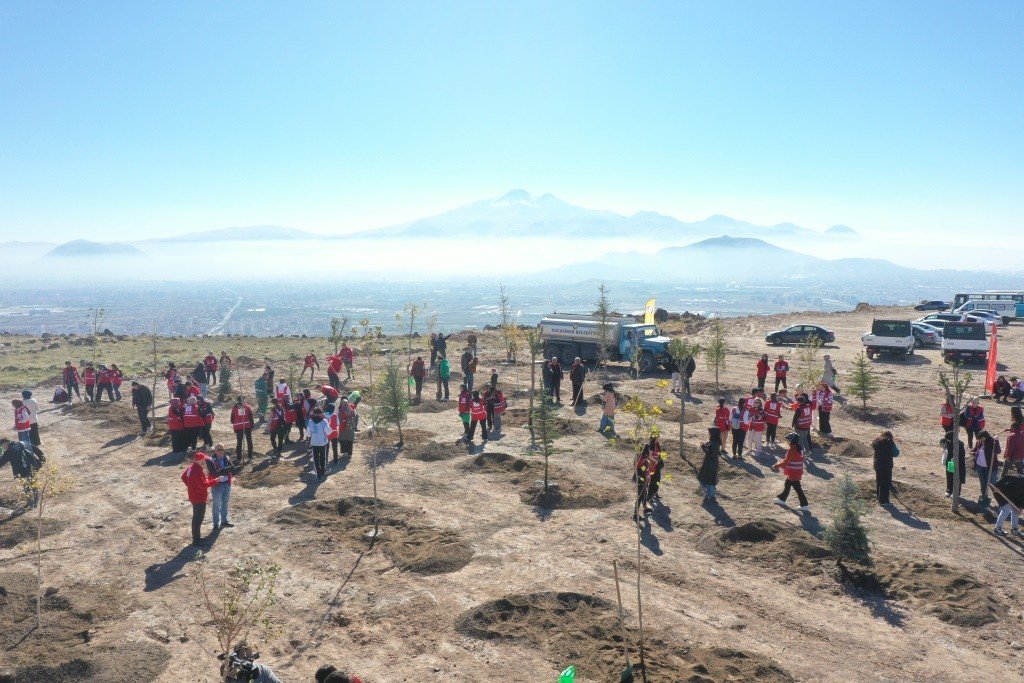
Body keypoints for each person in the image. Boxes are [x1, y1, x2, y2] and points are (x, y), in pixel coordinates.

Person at [181, 450, 223, 547]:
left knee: (196, 518)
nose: (205, 460)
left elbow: (183, 477)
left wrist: (191, 486)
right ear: (199, 460)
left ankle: (197, 539)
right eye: (203, 459)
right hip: (198, 498)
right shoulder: (196, 471)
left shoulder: (191, 468)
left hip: (194, 496)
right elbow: (203, 485)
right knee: (198, 519)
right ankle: (196, 541)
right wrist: (216, 480)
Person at [0, 438, 43, 508]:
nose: (3, 448)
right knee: (34, 485)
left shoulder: (9, 452)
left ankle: (30, 504)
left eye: (2, 446)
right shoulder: (24, 442)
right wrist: (42, 461)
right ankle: (35, 502)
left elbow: (1, 462)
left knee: (27, 488)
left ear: (6, 444)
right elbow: (37, 450)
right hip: (33, 468)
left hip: (24, 472)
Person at [772, 432, 810, 511]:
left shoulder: (792, 450)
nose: (787, 441)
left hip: (793, 473)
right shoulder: (799, 448)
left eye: (788, 440)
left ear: (792, 441)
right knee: (787, 484)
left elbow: (786, 462)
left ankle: (805, 505)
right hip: (797, 472)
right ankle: (782, 499)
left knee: (797, 488)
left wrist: (776, 466)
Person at [633, 435, 660, 518]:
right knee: (640, 496)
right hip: (641, 478)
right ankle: (635, 514)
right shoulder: (644, 460)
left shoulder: (640, 457)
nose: (651, 453)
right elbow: (644, 470)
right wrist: (647, 477)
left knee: (644, 493)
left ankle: (644, 507)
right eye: (649, 451)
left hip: (642, 478)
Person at [209, 444, 235, 530]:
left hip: (226, 483)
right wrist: (226, 471)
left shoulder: (226, 457)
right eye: (218, 449)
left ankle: (224, 521)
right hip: (217, 485)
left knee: (225, 502)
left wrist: (222, 470)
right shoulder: (210, 460)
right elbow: (214, 473)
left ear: (224, 450)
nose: (220, 451)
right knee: (216, 504)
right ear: (215, 450)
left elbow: (233, 467)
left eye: (221, 449)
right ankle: (215, 524)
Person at [972, 430, 1000, 505]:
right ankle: (984, 497)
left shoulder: (993, 442)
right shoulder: (980, 441)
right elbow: (975, 449)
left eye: (981, 439)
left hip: (990, 467)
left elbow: (998, 451)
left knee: (992, 484)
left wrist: (996, 441)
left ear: (984, 437)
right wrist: (972, 452)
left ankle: (1001, 501)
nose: (979, 440)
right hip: (980, 466)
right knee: (983, 483)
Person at [872, 431, 898, 505]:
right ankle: (884, 501)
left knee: (879, 481)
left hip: (877, 464)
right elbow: (896, 453)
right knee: (886, 483)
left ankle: (879, 498)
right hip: (887, 466)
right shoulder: (890, 442)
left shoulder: (876, 442)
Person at [307, 407, 331, 481]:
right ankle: (323, 471)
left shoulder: (310, 422)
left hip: (314, 443)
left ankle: (318, 475)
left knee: (316, 459)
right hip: (322, 443)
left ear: (314, 414)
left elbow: (308, 434)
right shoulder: (324, 421)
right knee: (323, 457)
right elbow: (329, 432)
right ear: (321, 414)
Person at [941, 430, 966, 498]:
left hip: (958, 463)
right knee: (949, 476)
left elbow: (962, 455)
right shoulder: (948, 442)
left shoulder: (960, 444)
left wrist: (955, 457)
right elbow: (942, 441)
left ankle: (956, 492)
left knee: (957, 477)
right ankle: (949, 490)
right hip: (951, 462)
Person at [698, 427, 722, 500]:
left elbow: (710, 454)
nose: (708, 433)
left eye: (709, 432)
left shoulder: (714, 443)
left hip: (711, 463)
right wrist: (705, 445)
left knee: (709, 479)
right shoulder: (714, 441)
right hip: (710, 462)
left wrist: (703, 447)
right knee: (708, 479)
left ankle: (710, 495)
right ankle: (711, 494)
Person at [231, 396, 255, 461]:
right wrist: (252, 426)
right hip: (247, 426)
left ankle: (239, 457)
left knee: (239, 442)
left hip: (238, 427)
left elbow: (232, 419)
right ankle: (250, 456)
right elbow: (251, 417)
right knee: (249, 441)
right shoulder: (247, 407)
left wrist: (236, 422)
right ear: (243, 400)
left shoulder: (234, 408)